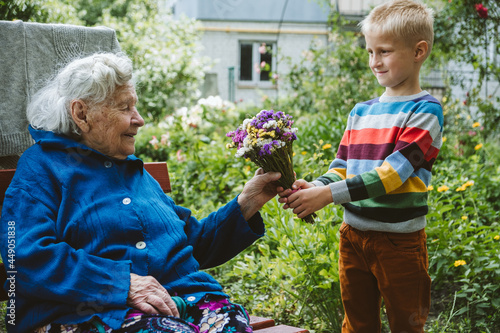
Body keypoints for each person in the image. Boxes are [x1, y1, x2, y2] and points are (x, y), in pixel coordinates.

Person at [0, 52, 281, 333]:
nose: (140, 119)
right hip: (93, 314)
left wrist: (248, 202)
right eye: (125, 108)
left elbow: (191, 243)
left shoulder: (134, 172)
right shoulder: (42, 167)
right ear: (81, 113)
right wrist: (122, 284)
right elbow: (24, 256)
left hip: (188, 302)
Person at [278, 1, 443, 332]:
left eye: (384, 51)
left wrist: (329, 195)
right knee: (357, 323)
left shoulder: (425, 111)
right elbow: (343, 164)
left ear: (418, 51)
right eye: (370, 51)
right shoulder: (361, 112)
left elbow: (393, 175)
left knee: (406, 324)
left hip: (400, 243)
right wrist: (317, 185)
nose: (374, 62)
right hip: (353, 236)